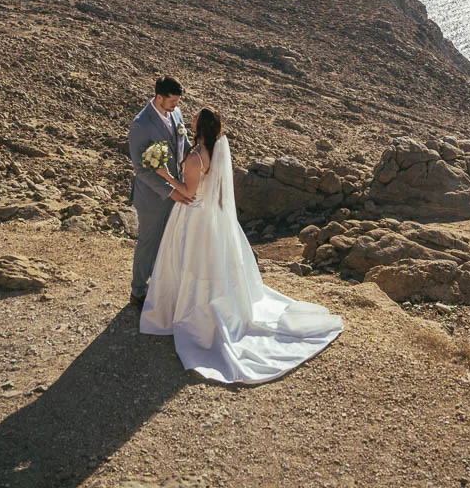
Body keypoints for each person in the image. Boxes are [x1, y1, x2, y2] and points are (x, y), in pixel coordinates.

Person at [140, 107, 343, 383]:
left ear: (201, 127)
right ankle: (206, 304)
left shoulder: (196, 157)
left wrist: (163, 174)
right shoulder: (213, 151)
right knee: (205, 265)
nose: (191, 120)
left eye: (196, 119)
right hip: (208, 218)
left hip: (191, 216)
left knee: (186, 262)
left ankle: (186, 310)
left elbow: (187, 192)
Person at [128, 75, 192, 309]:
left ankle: (162, 286)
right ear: (159, 97)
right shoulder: (141, 125)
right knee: (149, 242)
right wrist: (170, 191)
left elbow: (182, 144)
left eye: (177, 102)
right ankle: (138, 290)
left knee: (171, 240)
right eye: (172, 101)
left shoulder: (176, 114)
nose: (176, 106)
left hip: (177, 188)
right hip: (152, 198)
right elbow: (141, 170)